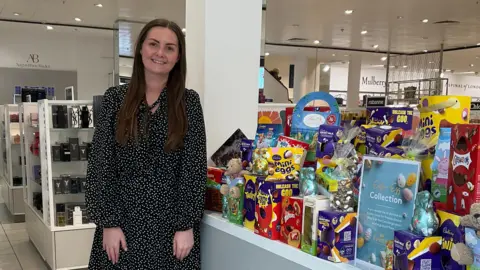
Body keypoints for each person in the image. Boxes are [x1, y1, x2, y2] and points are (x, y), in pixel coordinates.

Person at [85, 18, 207, 269]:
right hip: (121, 224)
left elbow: (193, 169)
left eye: (169, 47)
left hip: (171, 229)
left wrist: (185, 225)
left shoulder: (189, 103)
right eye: (154, 44)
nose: (160, 53)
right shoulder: (115, 99)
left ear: (177, 57)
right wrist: (108, 222)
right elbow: (101, 164)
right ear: (140, 49)